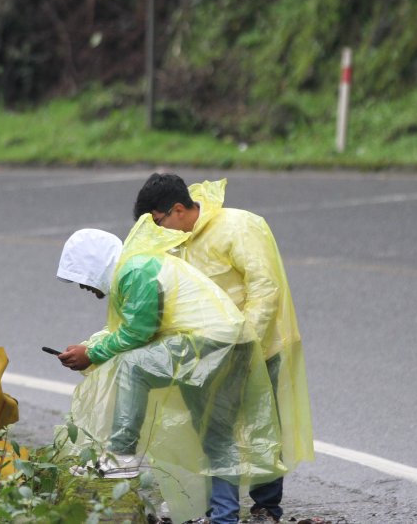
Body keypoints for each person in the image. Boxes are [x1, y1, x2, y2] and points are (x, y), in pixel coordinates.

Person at [55, 221, 285, 524]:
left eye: (82, 279)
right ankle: (224, 518)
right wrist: (89, 348)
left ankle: (120, 454)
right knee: (216, 435)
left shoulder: (133, 271)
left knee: (133, 365)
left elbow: (139, 332)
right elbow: (134, 327)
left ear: (95, 264)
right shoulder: (139, 264)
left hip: (209, 343)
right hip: (232, 341)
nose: (85, 287)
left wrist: (93, 353)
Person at [133, 174, 314, 524]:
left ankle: (265, 507)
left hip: (257, 347)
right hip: (205, 352)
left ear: (179, 209)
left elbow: (264, 288)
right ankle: (218, 510)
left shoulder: (239, 226)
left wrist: (243, 347)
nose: (158, 230)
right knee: (214, 432)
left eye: (159, 222)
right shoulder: (175, 241)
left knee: (261, 426)